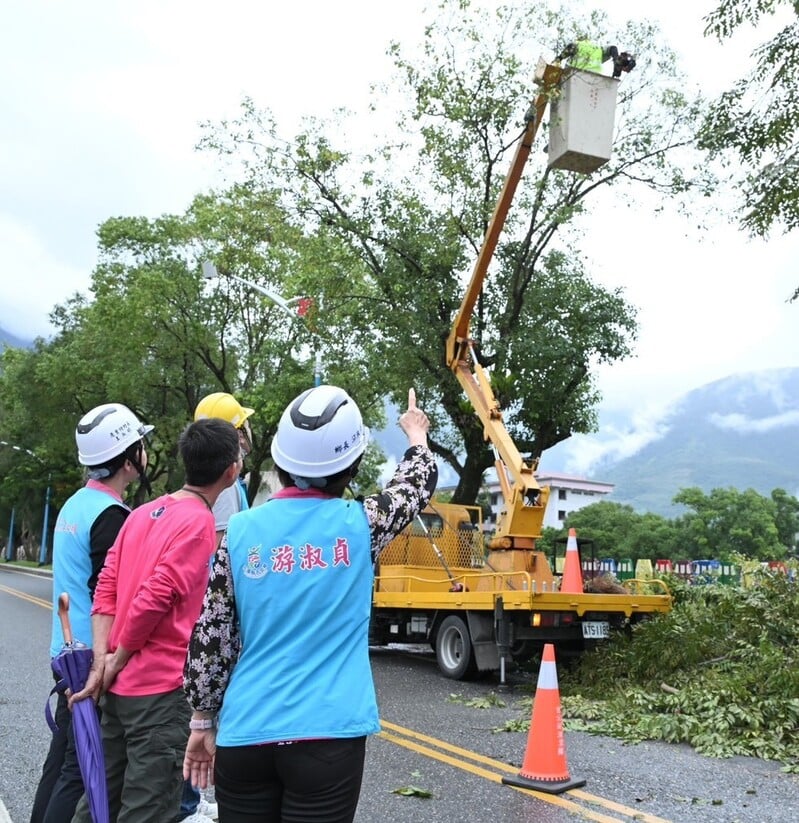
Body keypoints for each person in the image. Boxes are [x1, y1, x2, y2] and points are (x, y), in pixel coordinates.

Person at [183, 385, 438, 823]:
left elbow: (213, 635)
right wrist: (416, 436)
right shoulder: (360, 525)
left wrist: (202, 719)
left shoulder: (240, 531)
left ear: (280, 460)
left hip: (246, 733)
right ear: (353, 466)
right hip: (329, 740)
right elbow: (414, 485)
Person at [70, 418, 242, 823]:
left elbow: (106, 585)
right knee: (146, 810)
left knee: (97, 801)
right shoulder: (200, 523)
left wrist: (104, 660)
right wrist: (119, 656)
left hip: (118, 688)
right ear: (231, 472)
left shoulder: (142, 512)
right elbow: (156, 596)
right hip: (161, 692)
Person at [30, 403, 152, 823]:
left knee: (62, 761)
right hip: (89, 661)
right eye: (141, 443)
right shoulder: (111, 517)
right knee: (79, 772)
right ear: (128, 457)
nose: (146, 450)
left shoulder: (74, 505)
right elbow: (111, 597)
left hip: (65, 652)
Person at [176, 392, 256, 823]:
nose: (246, 434)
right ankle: (189, 805)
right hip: (215, 612)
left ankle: (192, 799)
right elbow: (221, 551)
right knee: (204, 710)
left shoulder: (230, 484)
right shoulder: (224, 489)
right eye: (240, 426)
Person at [193, 391, 255, 546]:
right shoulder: (225, 484)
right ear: (239, 433)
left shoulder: (206, 475)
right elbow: (221, 546)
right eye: (246, 423)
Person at [556, 39, 636, 78]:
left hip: (572, 75)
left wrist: (559, 59)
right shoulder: (600, 51)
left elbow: (571, 47)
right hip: (591, 79)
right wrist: (615, 61)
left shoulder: (597, 49)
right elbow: (613, 48)